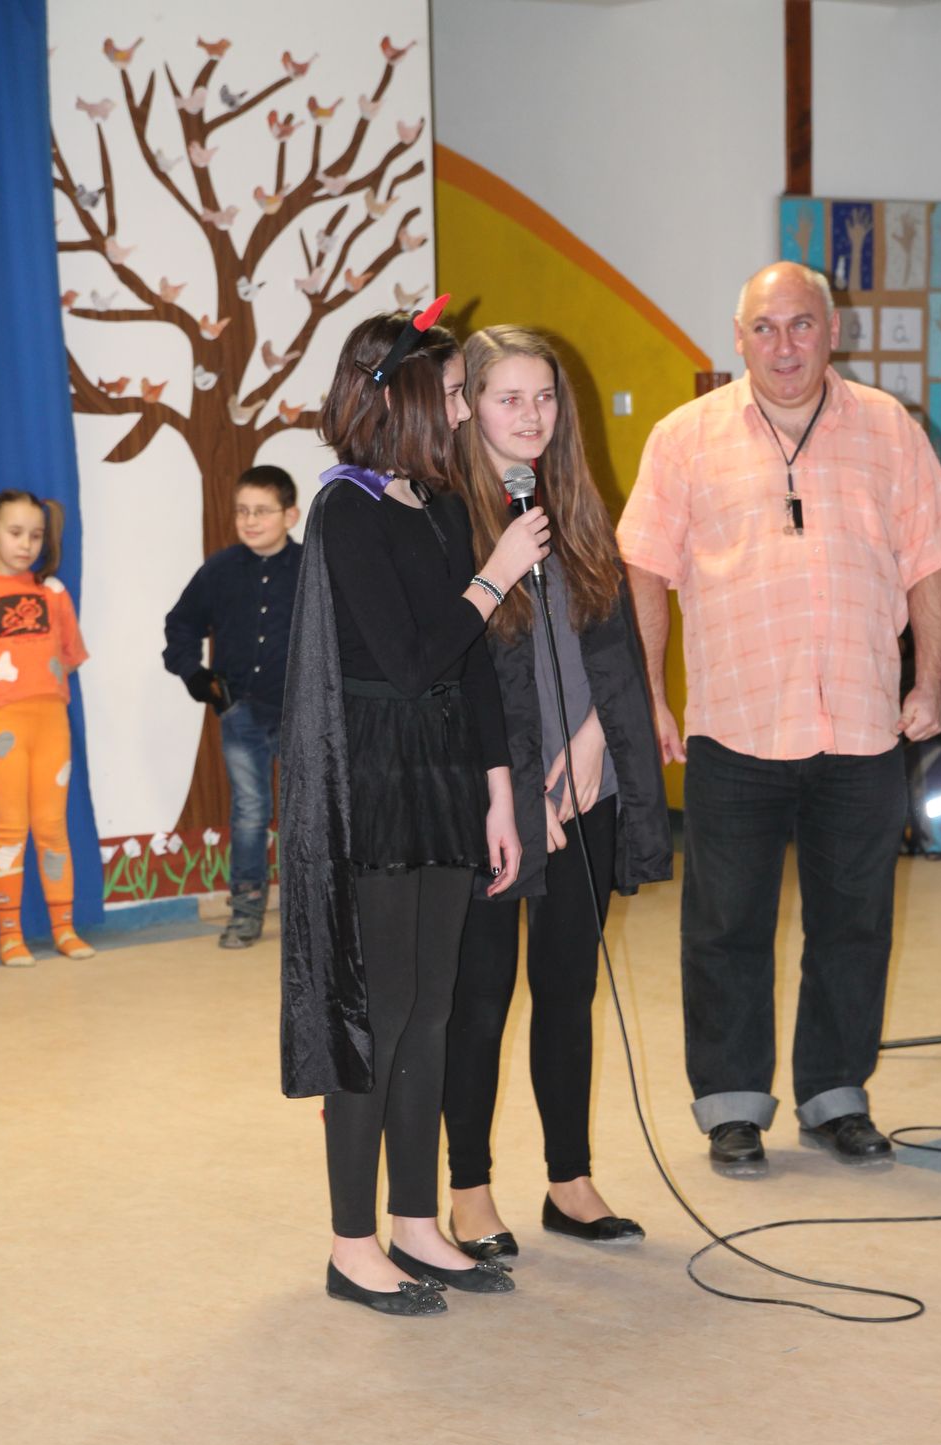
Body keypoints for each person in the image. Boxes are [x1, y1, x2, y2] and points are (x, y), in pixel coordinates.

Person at [619, 261, 941, 1173]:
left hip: (861, 724)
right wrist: (650, 694)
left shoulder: (888, 428)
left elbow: (930, 561)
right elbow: (645, 569)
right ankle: (732, 1106)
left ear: (832, 331)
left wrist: (929, 683)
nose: (784, 346)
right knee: (724, 927)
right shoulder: (683, 437)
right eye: (765, 328)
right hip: (736, 724)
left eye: (801, 325)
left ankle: (835, 1096)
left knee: (854, 924)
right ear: (739, 338)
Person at [279, 302, 550, 1316]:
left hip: (443, 773)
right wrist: (495, 575)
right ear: (393, 399)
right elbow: (407, 657)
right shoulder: (344, 511)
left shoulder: (434, 503)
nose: (461, 412)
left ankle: (416, 1223)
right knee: (380, 1014)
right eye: (449, 395)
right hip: (377, 776)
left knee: (433, 1010)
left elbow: (468, 668)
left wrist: (498, 793)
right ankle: (351, 1245)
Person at [443, 327, 673, 1257]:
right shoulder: (448, 513)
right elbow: (453, 671)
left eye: (545, 398)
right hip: (495, 796)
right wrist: (516, 783)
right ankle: (468, 1190)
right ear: (469, 406)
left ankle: (569, 1181)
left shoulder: (575, 504)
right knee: (481, 996)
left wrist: (592, 745)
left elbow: (613, 651)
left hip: (587, 784)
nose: (531, 416)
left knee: (569, 988)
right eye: (509, 398)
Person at [163, 466, 301, 949]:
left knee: (305, 812)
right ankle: (245, 910)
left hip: (300, 714)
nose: (250, 520)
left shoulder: (312, 568)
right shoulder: (219, 570)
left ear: (290, 515)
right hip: (240, 711)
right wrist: (195, 676)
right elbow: (180, 626)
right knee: (249, 811)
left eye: (262, 511)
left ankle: (308, 914)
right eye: (242, 511)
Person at [0, 490, 93, 966]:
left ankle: (64, 927)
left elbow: (69, 656)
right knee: (10, 827)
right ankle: (10, 934)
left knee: (52, 827)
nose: (26, 544)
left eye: (35, 535)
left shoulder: (54, 592)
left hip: (51, 722)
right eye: (15, 533)